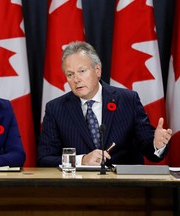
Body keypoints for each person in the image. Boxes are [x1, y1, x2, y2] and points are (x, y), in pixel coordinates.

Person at [37, 41, 172, 167]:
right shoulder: (56, 108)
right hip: (78, 189)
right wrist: (81, 160)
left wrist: (156, 144)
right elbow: (45, 158)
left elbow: (148, 148)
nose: (76, 79)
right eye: (70, 74)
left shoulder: (128, 100)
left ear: (97, 70)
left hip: (124, 188)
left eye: (82, 71)